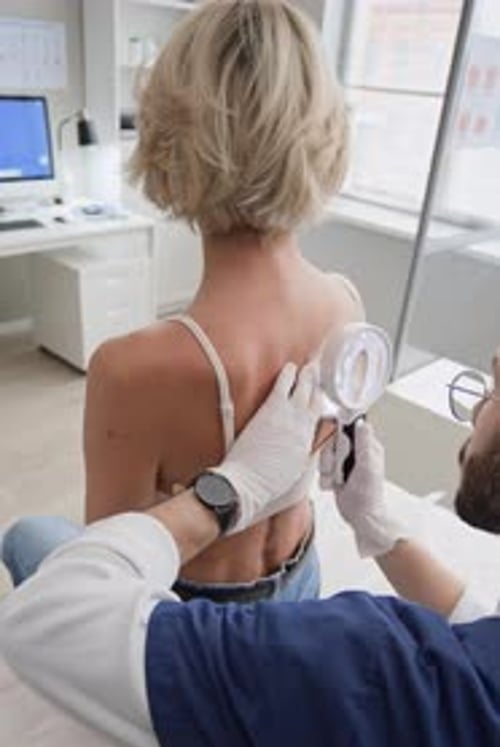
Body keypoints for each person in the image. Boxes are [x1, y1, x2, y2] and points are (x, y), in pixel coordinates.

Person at [2, 356, 500, 747]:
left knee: (30, 537)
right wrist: (379, 529)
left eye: (496, 387)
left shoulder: (371, 672)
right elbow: (480, 626)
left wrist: (228, 491)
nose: (477, 405)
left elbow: (51, 616)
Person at [1, 0, 362, 599]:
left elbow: (109, 585)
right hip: (302, 577)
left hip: (201, 622)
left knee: (23, 536)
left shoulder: (133, 368)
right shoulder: (345, 304)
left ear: (170, 137)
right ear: (325, 135)